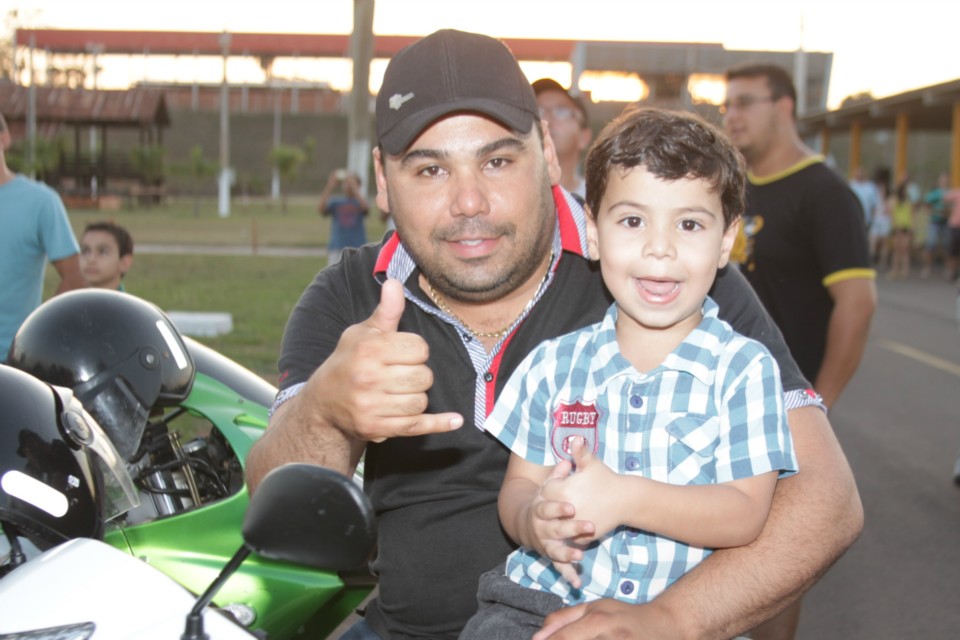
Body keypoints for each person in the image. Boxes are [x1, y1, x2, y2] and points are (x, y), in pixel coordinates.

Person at [246, 30, 862, 640]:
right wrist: (327, 412)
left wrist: (674, 620)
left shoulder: (658, 269)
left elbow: (827, 502)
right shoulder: (349, 295)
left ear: (547, 148)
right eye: (430, 169)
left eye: (497, 160)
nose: (469, 201)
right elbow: (273, 499)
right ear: (382, 178)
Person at [460, 106, 798, 640]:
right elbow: (519, 488)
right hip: (540, 600)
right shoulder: (554, 364)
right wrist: (535, 521)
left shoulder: (744, 370)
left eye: (689, 224)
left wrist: (626, 497)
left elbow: (745, 512)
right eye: (632, 221)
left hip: (677, 611)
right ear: (593, 231)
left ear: (727, 239)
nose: (658, 247)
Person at [722, 63, 874, 638]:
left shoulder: (824, 193)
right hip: (715, 397)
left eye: (745, 102)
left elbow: (857, 305)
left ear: (784, 106)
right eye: (727, 103)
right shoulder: (735, 185)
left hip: (782, 408)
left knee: (772, 561)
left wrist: (818, 403)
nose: (732, 114)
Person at [0, 112, 85, 357]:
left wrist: (37, 334)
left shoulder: (41, 201)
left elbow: (73, 278)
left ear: (4, 139)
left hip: (12, 361)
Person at [532, 78, 592, 201]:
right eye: (539, 111)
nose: (547, 119)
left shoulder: (597, 201)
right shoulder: (512, 195)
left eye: (561, 112)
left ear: (584, 137)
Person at [318, 168, 369, 265]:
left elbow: (366, 209)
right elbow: (321, 209)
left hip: (357, 247)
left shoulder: (360, 202)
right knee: (334, 277)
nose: (348, 186)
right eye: (345, 183)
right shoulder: (336, 202)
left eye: (351, 183)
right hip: (337, 246)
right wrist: (330, 185)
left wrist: (355, 189)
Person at [79, 221, 134, 291]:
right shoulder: (70, 301)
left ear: (124, 263)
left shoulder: (127, 302)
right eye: (85, 251)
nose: (91, 259)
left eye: (103, 252)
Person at [921, 172, 950, 279]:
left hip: (946, 222)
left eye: (946, 179)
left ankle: (947, 269)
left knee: (947, 246)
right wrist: (935, 211)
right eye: (943, 179)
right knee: (930, 245)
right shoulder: (935, 193)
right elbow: (927, 205)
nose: (945, 181)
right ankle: (927, 268)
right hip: (934, 222)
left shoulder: (950, 192)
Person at [889, 179, 915, 280]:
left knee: (904, 249)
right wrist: (896, 225)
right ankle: (895, 270)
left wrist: (911, 227)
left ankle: (904, 271)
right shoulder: (894, 200)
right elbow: (892, 213)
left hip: (905, 227)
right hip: (896, 227)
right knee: (896, 250)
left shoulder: (908, 202)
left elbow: (911, 215)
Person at [848, 166, 879, 231]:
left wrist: (874, 219)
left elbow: (874, 205)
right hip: (853, 218)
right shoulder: (851, 185)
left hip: (866, 219)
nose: (860, 176)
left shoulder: (870, 187)